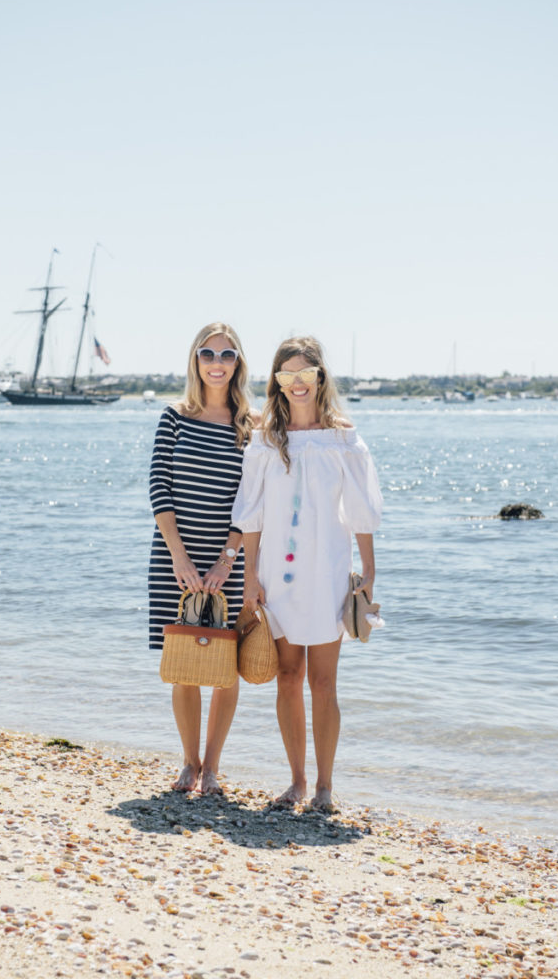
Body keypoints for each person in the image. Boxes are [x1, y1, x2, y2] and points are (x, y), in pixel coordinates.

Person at [232, 336, 383, 810]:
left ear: (319, 377)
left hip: (328, 572)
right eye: (286, 376)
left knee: (324, 682)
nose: (296, 384)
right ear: (276, 382)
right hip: (277, 576)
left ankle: (324, 787)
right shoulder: (265, 439)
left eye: (305, 374)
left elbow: (360, 512)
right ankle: (296, 781)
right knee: (287, 676)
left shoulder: (343, 438)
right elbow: (252, 515)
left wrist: (369, 574)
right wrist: (250, 578)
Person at [148, 323, 255, 794]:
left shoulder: (250, 425)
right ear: (195, 360)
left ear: (237, 363)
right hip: (175, 559)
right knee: (184, 663)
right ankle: (189, 764)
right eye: (208, 353)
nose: (217, 362)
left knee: (225, 668)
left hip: (226, 563)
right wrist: (180, 558)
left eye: (226, 354)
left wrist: (227, 559)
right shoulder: (173, 416)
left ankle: (212, 767)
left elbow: (251, 503)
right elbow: (159, 488)